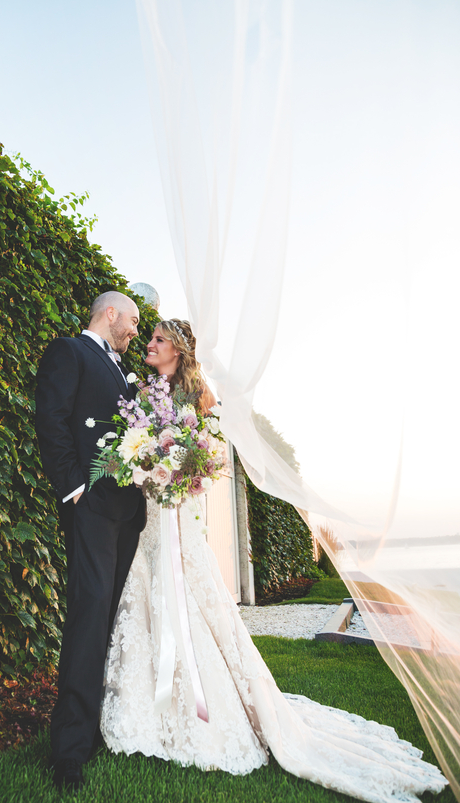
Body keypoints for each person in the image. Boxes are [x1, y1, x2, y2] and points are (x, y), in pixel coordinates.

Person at [100, 319, 447, 803]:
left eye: (158, 339)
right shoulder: (141, 393)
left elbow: (214, 458)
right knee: (147, 596)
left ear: (177, 349)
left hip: (180, 515)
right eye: (151, 337)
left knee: (193, 602)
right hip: (151, 516)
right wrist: (145, 462)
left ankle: (200, 707)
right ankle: (148, 707)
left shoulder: (201, 396)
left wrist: (183, 468)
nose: (150, 345)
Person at [35, 290, 146, 792]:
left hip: (128, 514)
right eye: (133, 321)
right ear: (110, 313)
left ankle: (101, 725)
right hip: (92, 509)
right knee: (89, 614)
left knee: (111, 618)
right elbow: (51, 419)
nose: (136, 331)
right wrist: (74, 488)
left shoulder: (124, 370)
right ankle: (70, 748)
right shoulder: (70, 351)